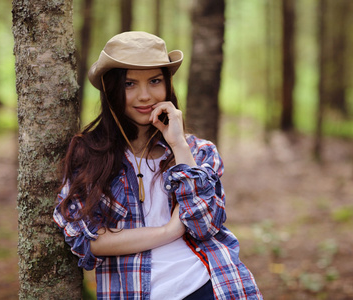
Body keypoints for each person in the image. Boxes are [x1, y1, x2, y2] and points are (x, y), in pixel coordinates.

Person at [53, 31, 262, 300]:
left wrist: (178, 144)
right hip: (135, 291)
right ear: (111, 88)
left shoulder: (198, 151)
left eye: (155, 81)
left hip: (208, 287)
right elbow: (89, 239)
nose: (144, 96)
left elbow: (203, 226)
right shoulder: (90, 154)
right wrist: (170, 230)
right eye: (130, 84)